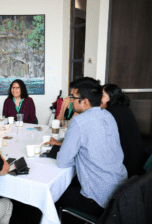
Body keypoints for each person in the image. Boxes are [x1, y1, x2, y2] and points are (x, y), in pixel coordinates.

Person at [47, 77, 128, 218]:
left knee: (51, 193)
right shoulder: (108, 115)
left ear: (85, 102)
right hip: (120, 188)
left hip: (98, 198)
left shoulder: (79, 121)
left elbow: (62, 161)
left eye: (73, 97)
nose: (70, 100)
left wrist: (76, 157)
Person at [102, 84, 147, 176]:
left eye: (102, 96)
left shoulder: (110, 113)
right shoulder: (123, 108)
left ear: (111, 97)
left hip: (126, 166)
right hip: (137, 160)